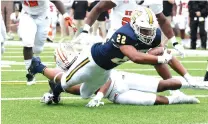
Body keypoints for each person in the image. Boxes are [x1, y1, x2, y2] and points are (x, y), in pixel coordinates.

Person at [28, 8, 206, 105]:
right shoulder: (124, 34)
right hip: (91, 59)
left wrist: (187, 76)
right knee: (67, 82)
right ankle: (49, 83)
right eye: (144, 31)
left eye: (150, 31)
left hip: (107, 70)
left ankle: (184, 91)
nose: (148, 35)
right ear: (135, 26)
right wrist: (161, 58)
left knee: (84, 93)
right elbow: (135, 57)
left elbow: (165, 55)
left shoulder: (154, 34)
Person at [77, 0, 185, 57]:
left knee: (161, 55)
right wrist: (85, 30)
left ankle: (178, 87)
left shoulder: (154, 1)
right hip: (118, 37)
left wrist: (175, 42)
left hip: (142, 35)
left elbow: (162, 20)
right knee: (101, 64)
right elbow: (98, 8)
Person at [42, 70, 200, 106]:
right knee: (157, 101)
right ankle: (178, 99)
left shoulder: (80, 71)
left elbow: (105, 78)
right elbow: (86, 91)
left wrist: (99, 96)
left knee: (163, 85)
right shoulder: (71, 88)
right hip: (115, 95)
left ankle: (197, 84)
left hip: (120, 79)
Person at [19, 0, 77, 85]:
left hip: (43, 16)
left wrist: (66, 16)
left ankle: (34, 63)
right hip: (27, 15)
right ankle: (29, 72)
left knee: (38, 49)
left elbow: (57, 1)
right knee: (27, 43)